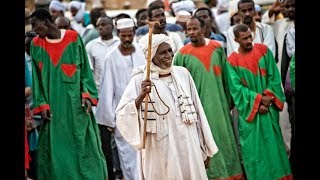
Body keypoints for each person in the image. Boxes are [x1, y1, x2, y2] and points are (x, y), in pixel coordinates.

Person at [115, 33, 218, 180]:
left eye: (170, 50)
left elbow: (198, 113)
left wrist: (204, 148)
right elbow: (122, 114)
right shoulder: (140, 79)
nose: (169, 55)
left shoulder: (183, 74)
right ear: (151, 57)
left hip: (189, 144)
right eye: (163, 52)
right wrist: (141, 96)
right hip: (159, 148)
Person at [29, 9, 107, 179]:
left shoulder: (73, 38)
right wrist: (42, 103)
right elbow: (36, 78)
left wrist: (87, 94)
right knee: (56, 151)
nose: (34, 29)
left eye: (35, 24)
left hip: (76, 109)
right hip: (53, 112)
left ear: (46, 21)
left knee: (84, 148)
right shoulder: (36, 44)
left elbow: (85, 70)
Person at [174, 17, 244, 179]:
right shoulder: (182, 55)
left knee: (225, 142)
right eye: (188, 29)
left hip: (220, 110)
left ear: (204, 28)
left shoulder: (217, 48)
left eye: (195, 28)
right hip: (198, 113)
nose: (191, 32)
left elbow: (228, 80)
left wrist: (228, 103)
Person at [226, 24, 292, 180]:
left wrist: (267, 100)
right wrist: (259, 100)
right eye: (244, 38)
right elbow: (236, 89)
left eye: (250, 36)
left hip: (268, 111)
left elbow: (273, 78)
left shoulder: (263, 51)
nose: (249, 40)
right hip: (251, 116)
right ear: (236, 40)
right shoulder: (232, 61)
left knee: (274, 148)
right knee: (254, 152)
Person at [96, 18, 145, 180]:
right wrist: (110, 119)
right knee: (128, 156)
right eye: (123, 36)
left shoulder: (142, 52)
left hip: (144, 112)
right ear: (118, 35)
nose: (126, 39)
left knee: (145, 154)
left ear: (134, 34)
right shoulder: (111, 58)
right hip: (123, 115)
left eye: (129, 35)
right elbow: (107, 89)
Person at [85, 16, 122, 180]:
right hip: (101, 99)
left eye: (104, 24)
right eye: (98, 25)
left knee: (124, 139)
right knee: (105, 140)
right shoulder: (91, 46)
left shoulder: (121, 44)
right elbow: (90, 74)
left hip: (121, 98)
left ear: (112, 26)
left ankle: (124, 171)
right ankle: (109, 173)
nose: (101, 28)